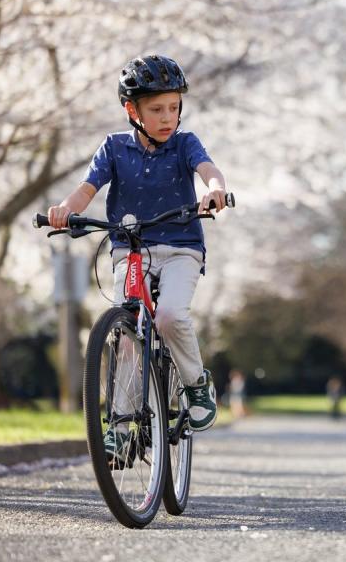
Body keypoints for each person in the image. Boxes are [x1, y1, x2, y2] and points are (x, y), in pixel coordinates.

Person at [48, 55, 229, 464]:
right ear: (132, 111)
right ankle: (121, 425)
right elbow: (86, 189)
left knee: (168, 316)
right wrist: (65, 208)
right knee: (126, 333)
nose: (168, 117)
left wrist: (214, 190)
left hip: (182, 247)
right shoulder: (114, 148)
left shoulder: (185, 144)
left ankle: (196, 383)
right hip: (129, 249)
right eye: (156, 109)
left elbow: (209, 170)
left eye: (173, 107)